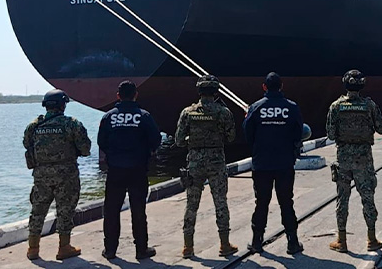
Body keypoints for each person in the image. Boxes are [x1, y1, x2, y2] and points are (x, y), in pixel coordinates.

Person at [23, 89, 91, 261]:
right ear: (63, 105)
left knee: (37, 211)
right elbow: (85, 149)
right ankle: (64, 247)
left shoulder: (34, 125)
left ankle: (33, 249)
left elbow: (26, 143)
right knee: (65, 210)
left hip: (41, 175)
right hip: (66, 175)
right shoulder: (71, 124)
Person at [175, 75, 238, 258]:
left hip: (194, 163)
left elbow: (179, 140)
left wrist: (191, 140)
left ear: (199, 91)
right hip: (216, 162)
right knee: (220, 202)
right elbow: (232, 137)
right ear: (216, 91)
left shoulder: (187, 112)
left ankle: (188, 247)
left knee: (191, 204)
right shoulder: (223, 112)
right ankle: (224, 244)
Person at [98, 80, 161, 260]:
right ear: (136, 94)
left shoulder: (108, 117)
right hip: (138, 169)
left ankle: (110, 249)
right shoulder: (144, 116)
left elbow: (101, 141)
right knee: (138, 210)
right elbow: (156, 140)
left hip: (116, 170)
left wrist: (114, 154)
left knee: (111, 210)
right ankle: (141, 250)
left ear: (118, 96)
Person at [243, 72, 305, 255]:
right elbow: (298, 132)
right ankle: (292, 243)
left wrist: (258, 148)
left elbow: (248, 133)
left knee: (261, 202)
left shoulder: (255, 107)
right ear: (282, 86)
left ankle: (256, 242)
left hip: (262, 163)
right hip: (284, 163)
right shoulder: (292, 107)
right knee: (286, 202)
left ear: (264, 87)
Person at [326, 70, 382, 253]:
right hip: (364, 160)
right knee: (367, 198)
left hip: (343, 159)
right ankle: (372, 239)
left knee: (342, 200)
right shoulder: (370, 106)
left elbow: (329, 134)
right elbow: (381, 129)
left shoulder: (336, 106)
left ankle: (341, 241)